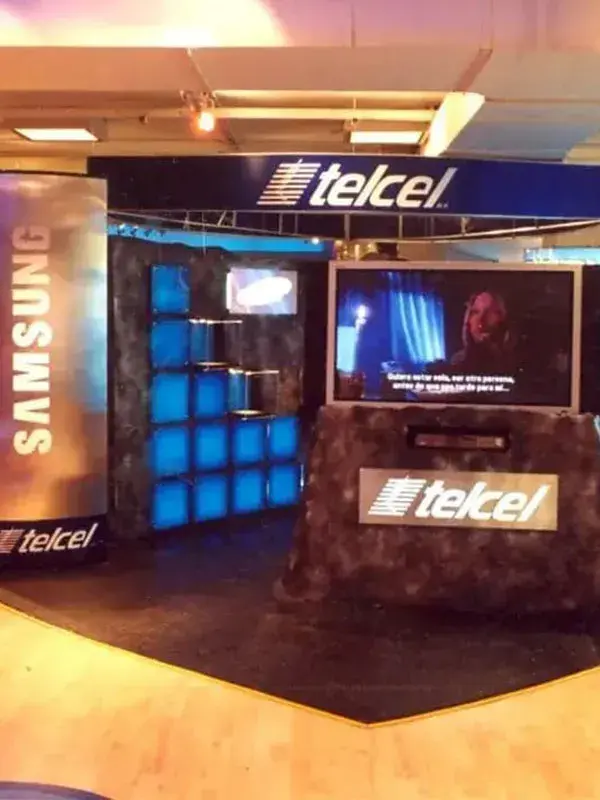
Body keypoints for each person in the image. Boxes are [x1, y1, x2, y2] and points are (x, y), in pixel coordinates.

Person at [450, 291, 516, 374]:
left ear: (503, 319)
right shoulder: (458, 362)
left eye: (490, 312)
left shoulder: (517, 363)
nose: (481, 320)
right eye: (476, 312)